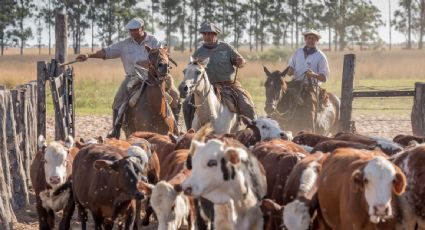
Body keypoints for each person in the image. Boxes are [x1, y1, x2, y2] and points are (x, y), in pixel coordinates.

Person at [76, 17, 180, 138]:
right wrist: (89, 55)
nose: (133, 32)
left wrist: (146, 63)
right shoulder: (124, 45)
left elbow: (163, 55)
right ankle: (115, 130)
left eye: (135, 30)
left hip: (155, 75)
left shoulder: (153, 41)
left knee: (175, 95)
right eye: (131, 30)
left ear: (142, 28)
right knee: (118, 100)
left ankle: (176, 127)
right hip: (133, 77)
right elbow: (106, 52)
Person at [183, 22, 256, 129]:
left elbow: (241, 62)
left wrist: (240, 61)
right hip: (207, 87)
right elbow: (192, 71)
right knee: (186, 104)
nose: (207, 37)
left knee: (247, 105)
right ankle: (189, 133)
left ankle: (254, 131)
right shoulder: (198, 53)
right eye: (205, 34)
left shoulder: (226, 47)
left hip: (230, 86)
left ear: (216, 34)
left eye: (210, 34)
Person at [285, 29, 330, 132]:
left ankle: (310, 130)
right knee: (280, 95)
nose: (311, 40)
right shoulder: (298, 52)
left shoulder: (320, 56)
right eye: (309, 38)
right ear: (305, 39)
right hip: (295, 84)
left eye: (314, 38)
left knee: (309, 106)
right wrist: (290, 70)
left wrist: (313, 75)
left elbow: (324, 77)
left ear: (317, 41)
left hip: (311, 86)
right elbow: (291, 66)